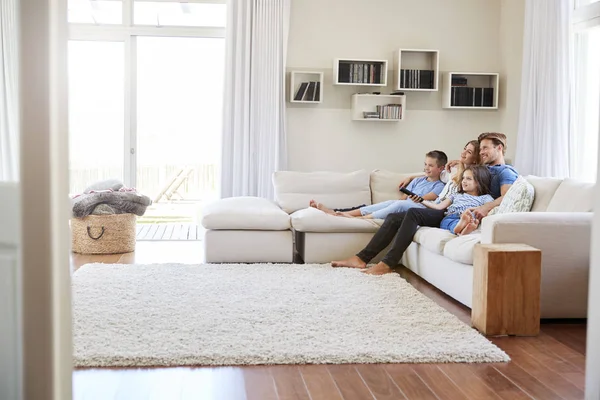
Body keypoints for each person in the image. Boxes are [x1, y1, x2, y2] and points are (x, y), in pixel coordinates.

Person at [331, 132, 518, 276]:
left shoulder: (503, 172)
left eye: (484, 149)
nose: (482, 152)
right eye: (481, 149)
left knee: (411, 212)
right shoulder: (478, 168)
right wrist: (457, 164)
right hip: (446, 207)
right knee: (396, 216)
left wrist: (484, 208)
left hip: (453, 211)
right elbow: (441, 174)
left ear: (499, 148)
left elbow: (506, 197)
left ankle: (388, 263)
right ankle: (361, 258)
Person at [309, 151, 447, 219]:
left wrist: (404, 201)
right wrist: (401, 198)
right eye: (425, 164)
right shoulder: (418, 180)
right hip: (406, 204)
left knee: (398, 205)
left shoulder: (440, 185)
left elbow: (424, 199)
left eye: (431, 165)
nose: (426, 168)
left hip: (419, 209)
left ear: (441, 168)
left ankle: (362, 219)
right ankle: (341, 214)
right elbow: (404, 197)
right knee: (391, 203)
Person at [421, 166, 494, 235]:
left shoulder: (485, 197)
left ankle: (463, 227)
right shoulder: (456, 195)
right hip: (451, 216)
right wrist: (422, 201)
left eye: (468, 178)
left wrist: (469, 210)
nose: (463, 181)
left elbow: (488, 208)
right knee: (445, 222)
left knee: (471, 217)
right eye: (463, 178)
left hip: (469, 216)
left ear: (479, 182)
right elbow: (439, 207)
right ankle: (462, 229)